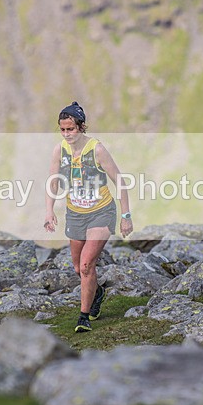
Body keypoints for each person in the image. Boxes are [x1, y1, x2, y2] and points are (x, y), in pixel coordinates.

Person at [44, 101, 133, 333]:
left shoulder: (97, 149)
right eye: (63, 130)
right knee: (78, 268)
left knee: (86, 265)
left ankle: (83, 317)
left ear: (81, 127)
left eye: (70, 129)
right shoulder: (59, 150)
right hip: (75, 214)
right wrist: (49, 211)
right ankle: (98, 292)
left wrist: (126, 215)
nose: (66, 134)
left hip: (101, 213)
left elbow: (120, 181)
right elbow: (53, 182)